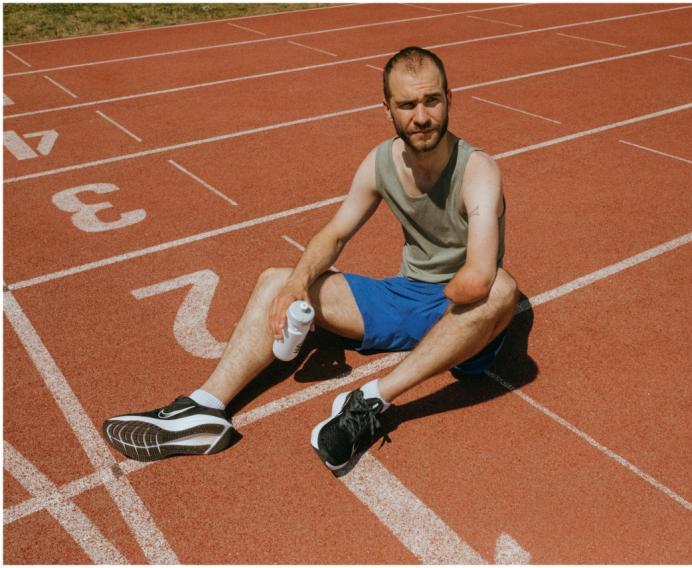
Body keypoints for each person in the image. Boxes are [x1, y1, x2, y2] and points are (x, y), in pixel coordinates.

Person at [102, 46, 518, 471]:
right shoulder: (380, 163)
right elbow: (335, 233)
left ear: (450, 97)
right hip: (404, 297)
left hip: (464, 310)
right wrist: (298, 284)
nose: (422, 116)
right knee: (274, 280)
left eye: (431, 100)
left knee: (502, 290)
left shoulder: (478, 170)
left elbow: (478, 278)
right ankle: (204, 409)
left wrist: (443, 308)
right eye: (407, 104)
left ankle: (372, 400)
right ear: (387, 109)